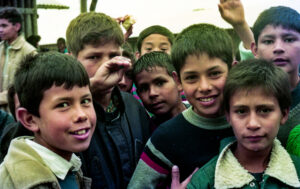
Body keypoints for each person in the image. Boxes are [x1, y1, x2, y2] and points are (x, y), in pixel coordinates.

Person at [128, 23, 235, 188]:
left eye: (214, 74)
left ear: (233, 71)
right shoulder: (165, 138)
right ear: (178, 81)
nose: (204, 86)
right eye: (192, 77)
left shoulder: (252, 123)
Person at [66, 12, 152, 188]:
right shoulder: (64, 115)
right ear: (71, 59)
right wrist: (87, 90)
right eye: (94, 57)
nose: (108, 65)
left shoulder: (133, 106)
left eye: (114, 55)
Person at [188, 58, 300, 188]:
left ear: (284, 114)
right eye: (241, 111)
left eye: (264, 110)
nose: (253, 124)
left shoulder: (297, 172)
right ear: (228, 115)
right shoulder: (205, 181)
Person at [0, 51, 96, 188]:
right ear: (29, 119)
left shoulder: (69, 165)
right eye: (63, 105)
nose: (82, 115)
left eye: (85, 101)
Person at [220, 3, 300, 147]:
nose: (278, 48)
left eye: (289, 39)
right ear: (255, 50)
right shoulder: (240, 97)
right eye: (268, 41)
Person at [133, 51, 188, 127]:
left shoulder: (205, 115)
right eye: (144, 88)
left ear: (178, 81)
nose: (152, 93)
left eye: (160, 83)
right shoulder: (145, 134)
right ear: (138, 94)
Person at [0, 7, 36, 111]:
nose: (0, 30)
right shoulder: (0, 48)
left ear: (17, 26)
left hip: (15, 113)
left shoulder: (29, 52)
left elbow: (28, 88)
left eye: (4, 26)